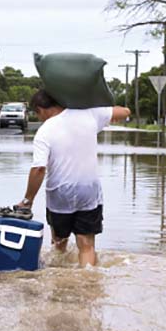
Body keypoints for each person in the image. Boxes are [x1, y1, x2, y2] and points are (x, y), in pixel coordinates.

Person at [15, 90, 131, 266]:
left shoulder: (45, 130)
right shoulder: (89, 114)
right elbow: (125, 112)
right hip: (88, 190)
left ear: (41, 109)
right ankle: (87, 281)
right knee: (86, 245)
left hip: (60, 193)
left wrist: (28, 200)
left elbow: (39, 169)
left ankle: (60, 284)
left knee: (59, 244)